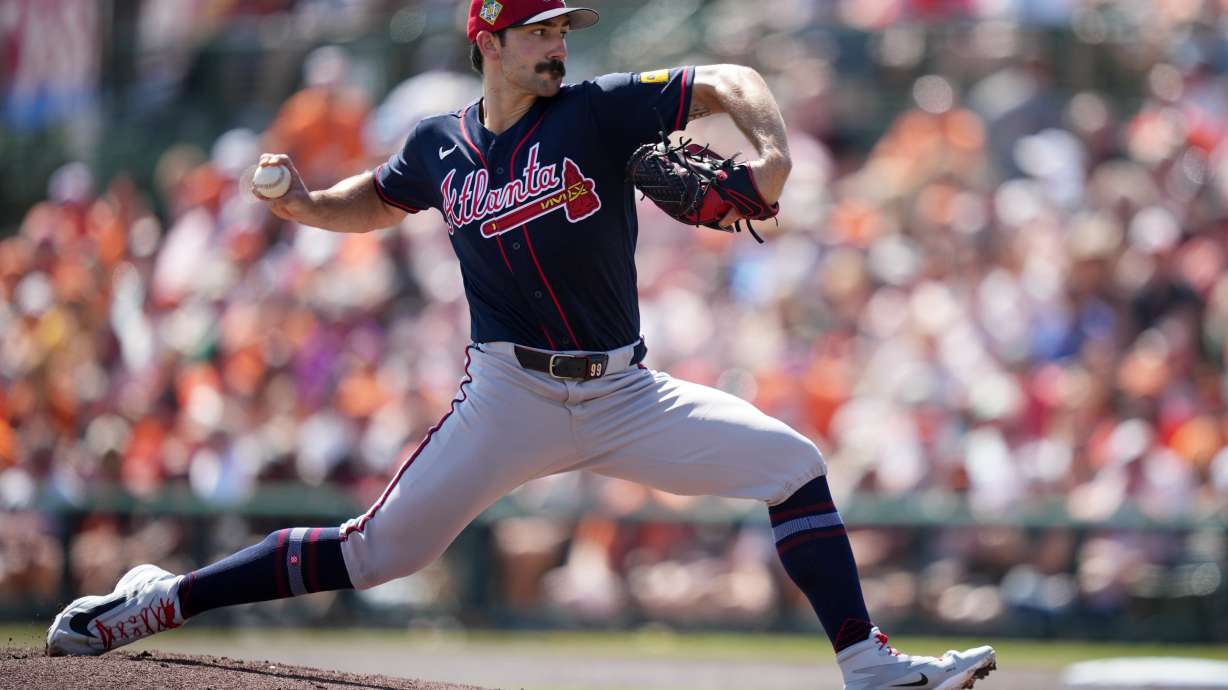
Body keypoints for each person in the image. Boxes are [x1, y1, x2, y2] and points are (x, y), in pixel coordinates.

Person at [48, 2, 997, 688]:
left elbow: (733, 82)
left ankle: (867, 665)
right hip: (510, 397)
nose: (557, 44)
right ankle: (159, 601)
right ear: (488, 40)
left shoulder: (599, 109)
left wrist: (774, 152)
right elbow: (375, 199)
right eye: (539, 29)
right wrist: (301, 204)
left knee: (793, 464)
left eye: (562, 30)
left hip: (629, 394)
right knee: (377, 556)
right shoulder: (439, 144)